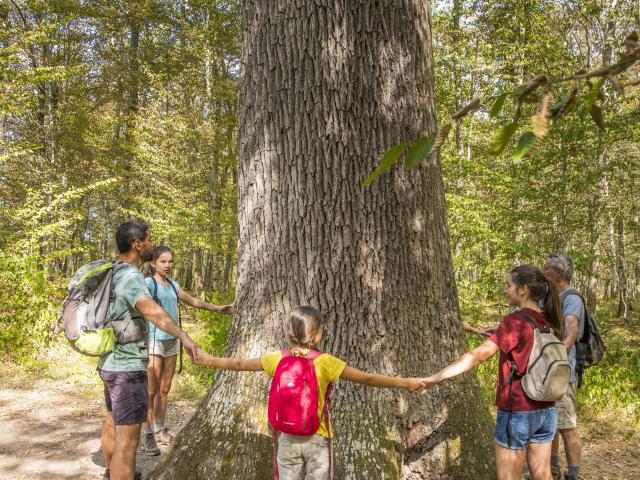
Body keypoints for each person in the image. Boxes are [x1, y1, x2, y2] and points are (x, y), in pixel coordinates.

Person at [194, 305, 426, 480]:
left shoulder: (277, 358)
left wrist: (209, 359)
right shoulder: (326, 362)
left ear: (288, 334)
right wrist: (405, 383)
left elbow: (239, 365)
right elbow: (367, 378)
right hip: (318, 436)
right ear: (317, 336)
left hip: (286, 437)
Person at [422, 265, 564, 480]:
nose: (506, 290)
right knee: (543, 474)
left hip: (518, 411)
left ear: (523, 289)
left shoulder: (515, 321)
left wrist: (436, 377)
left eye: (509, 285)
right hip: (546, 410)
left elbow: (477, 356)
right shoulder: (547, 321)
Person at [99, 222, 201, 480]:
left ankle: (111, 472)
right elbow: (150, 309)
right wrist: (183, 336)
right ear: (137, 244)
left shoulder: (112, 271)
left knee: (112, 420)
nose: (152, 244)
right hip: (127, 367)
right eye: (150, 240)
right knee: (128, 441)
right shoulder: (132, 276)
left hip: (108, 363)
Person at [140, 245, 233, 455]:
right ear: (153, 263)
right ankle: (147, 435)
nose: (168, 265)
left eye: (170, 261)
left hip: (172, 340)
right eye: (163, 261)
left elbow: (193, 301)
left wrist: (218, 308)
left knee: (165, 388)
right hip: (154, 341)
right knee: (151, 390)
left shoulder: (173, 284)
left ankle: (160, 428)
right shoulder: (148, 283)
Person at [543, 254, 584, 480]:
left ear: (559, 272)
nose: (544, 270)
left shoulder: (572, 299)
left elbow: (571, 331)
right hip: (546, 372)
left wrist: (560, 354)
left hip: (562, 374)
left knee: (566, 426)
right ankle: (553, 468)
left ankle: (574, 474)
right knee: (551, 422)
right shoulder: (550, 296)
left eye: (547, 268)